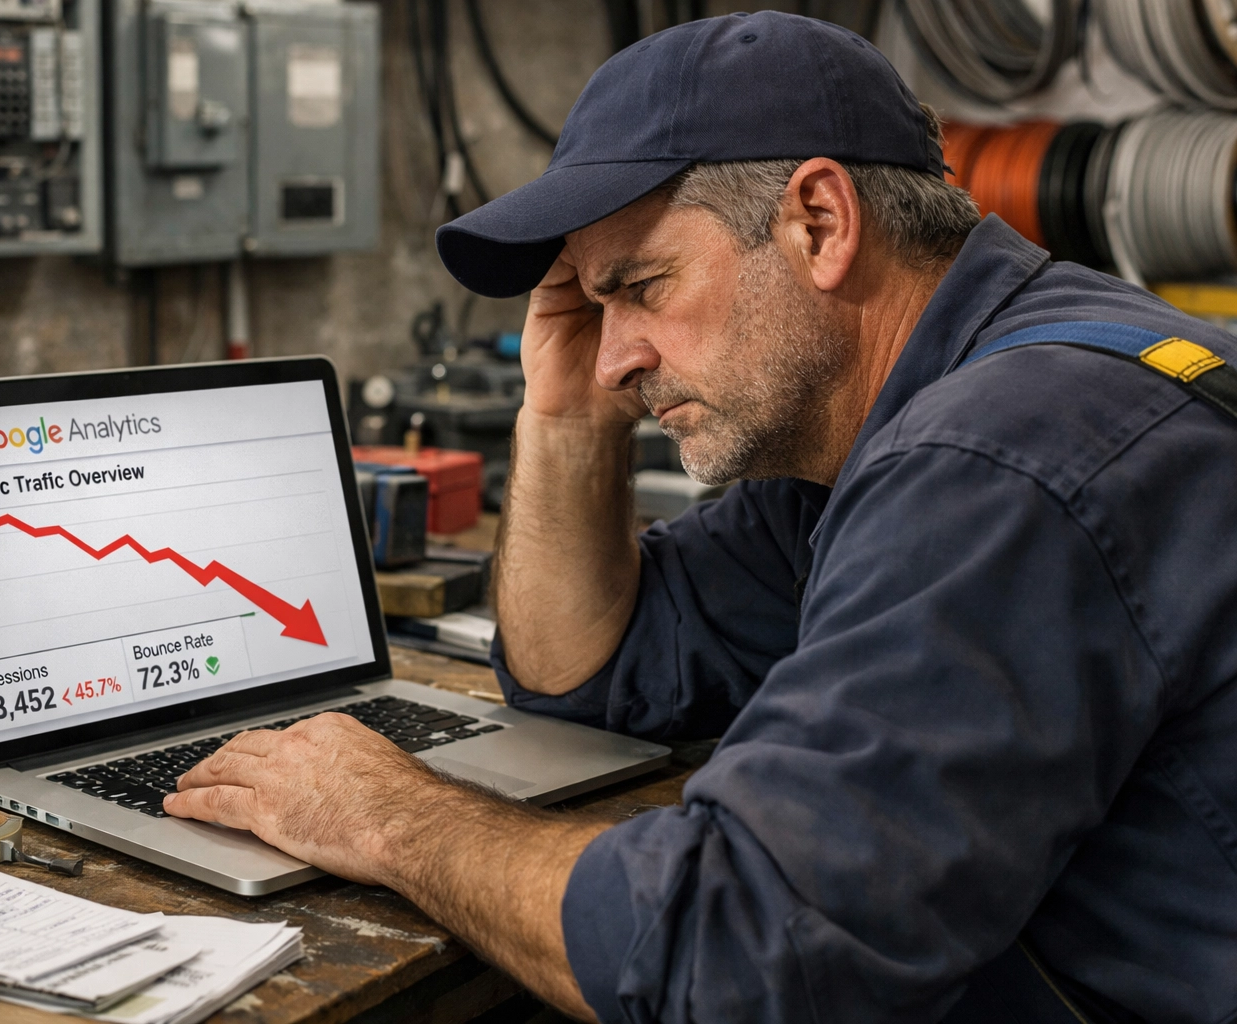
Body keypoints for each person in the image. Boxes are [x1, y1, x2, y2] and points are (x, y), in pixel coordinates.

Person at [164, 12, 1237, 1023]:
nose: (616, 352)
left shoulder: (995, 464)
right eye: (591, 303)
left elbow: (738, 956)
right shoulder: (918, 404)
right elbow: (588, 672)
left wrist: (387, 816)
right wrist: (567, 417)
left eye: (639, 284)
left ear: (820, 223)